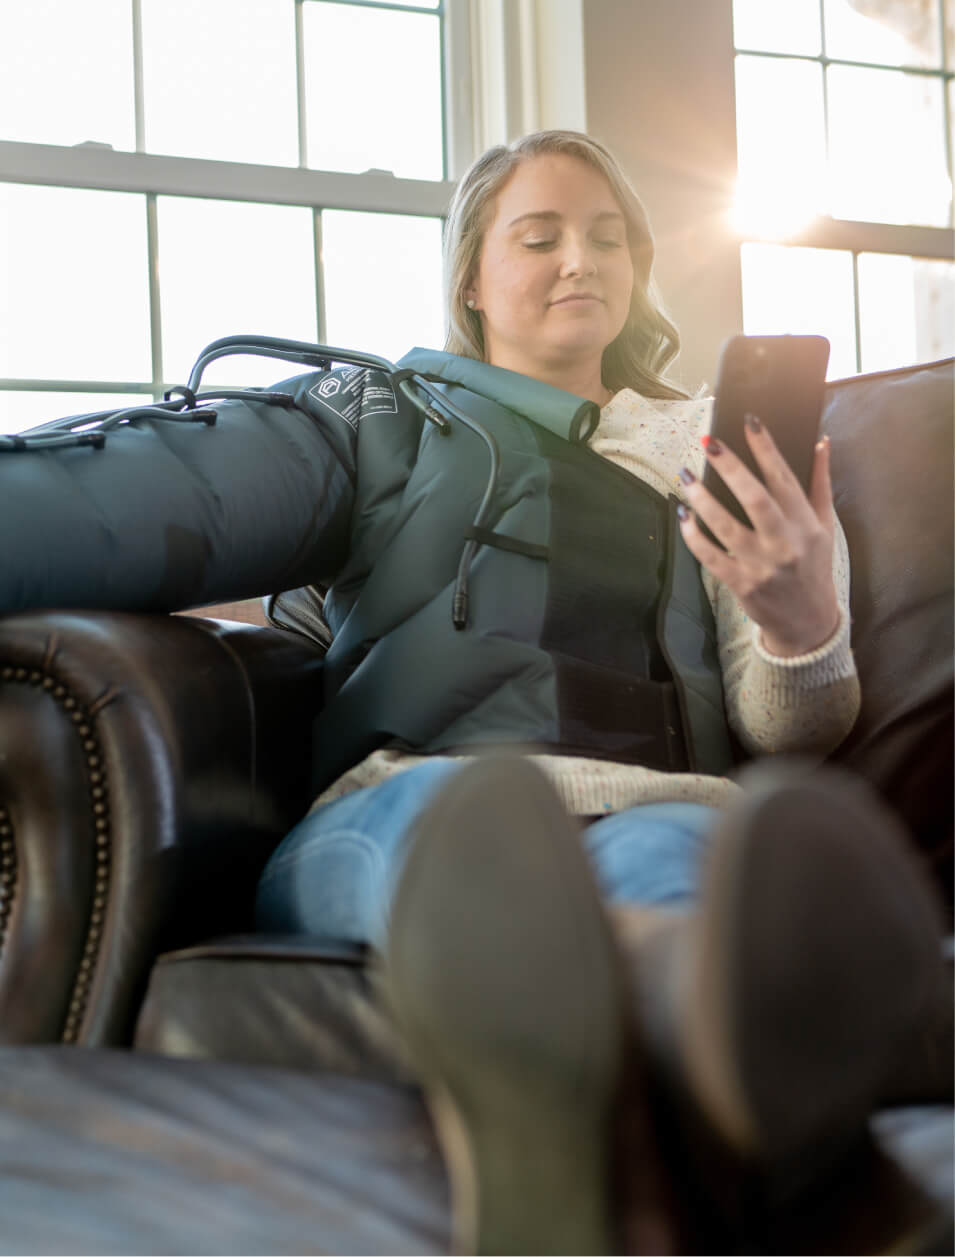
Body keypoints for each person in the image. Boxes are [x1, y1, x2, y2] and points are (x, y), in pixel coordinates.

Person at [249, 130, 948, 1252]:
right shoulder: (391, 428)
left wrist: (798, 616)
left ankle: (682, 1021)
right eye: (538, 238)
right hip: (406, 795)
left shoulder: (706, 445)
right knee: (456, 840)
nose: (581, 261)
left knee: (668, 865)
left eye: (607, 237)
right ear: (468, 279)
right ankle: (675, 1021)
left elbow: (790, 729)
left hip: (654, 803)